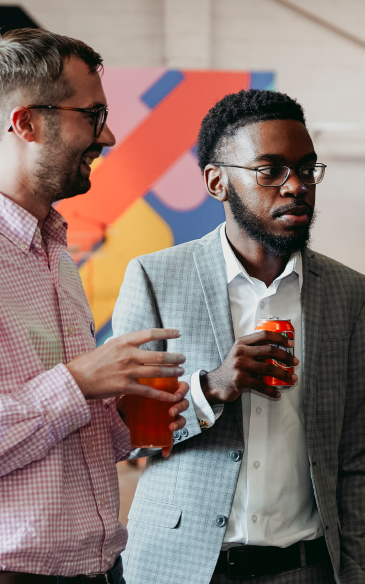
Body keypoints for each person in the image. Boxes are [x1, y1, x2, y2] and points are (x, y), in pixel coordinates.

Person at [111, 89, 365, 584]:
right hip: (181, 568)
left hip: (305, 568)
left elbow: (360, 458)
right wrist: (210, 387)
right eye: (270, 170)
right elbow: (126, 435)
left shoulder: (351, 293)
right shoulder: (156, 277)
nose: (296, 186)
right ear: (217, 182)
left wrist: (361, 573)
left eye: (307, 169)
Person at [0, 29, 189, 582]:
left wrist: (125, 418)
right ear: (26, 123)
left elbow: (61, 439)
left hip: (99, 568)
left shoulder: (55, 252)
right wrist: (79, 380)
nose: (107, 134)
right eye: (92, 114)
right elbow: (65, 393)